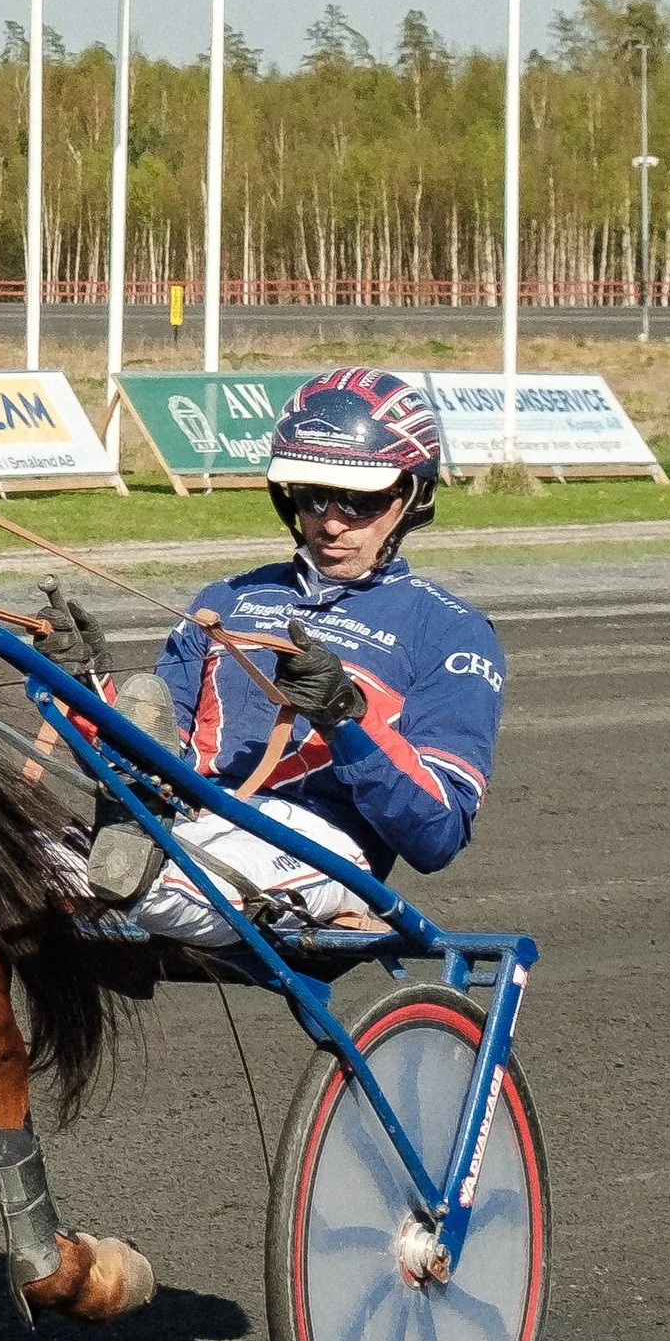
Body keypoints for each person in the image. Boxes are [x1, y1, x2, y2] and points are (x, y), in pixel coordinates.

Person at [61, 365, 505, 939]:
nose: (332, 522)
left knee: (149, 894)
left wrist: (344, 719)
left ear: (410, 496)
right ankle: (133, 859)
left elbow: (437, 835)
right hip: (191, 815)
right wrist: (83, 690)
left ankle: (140, 872)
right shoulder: (227, 599)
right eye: (313, 496)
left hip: (323, 843)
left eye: (358, 500)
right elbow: (153, 760)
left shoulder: (452, 632)